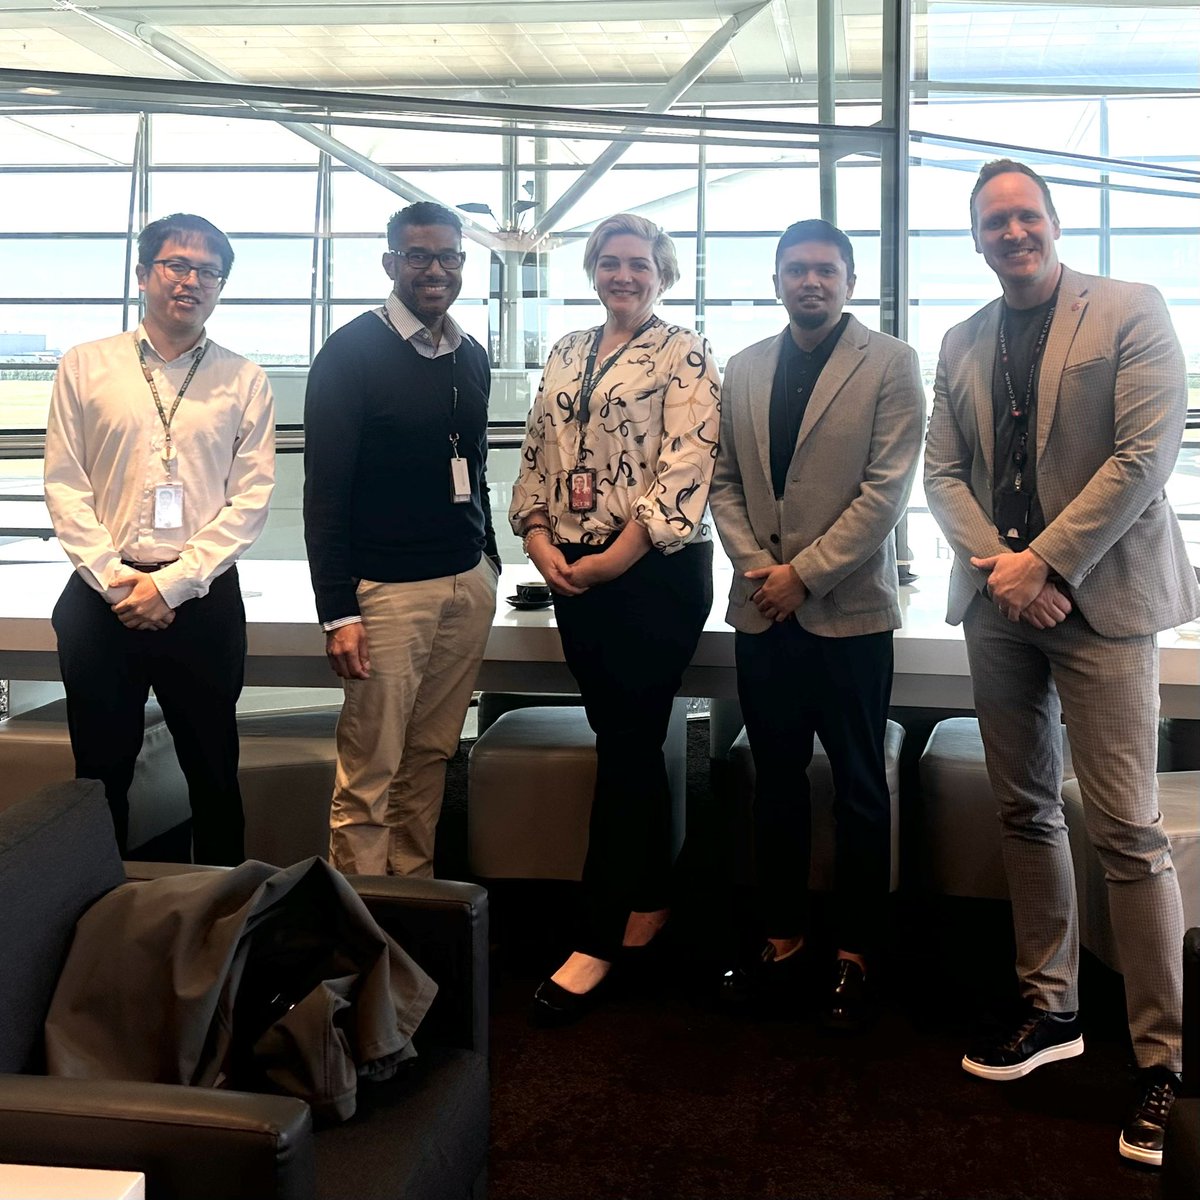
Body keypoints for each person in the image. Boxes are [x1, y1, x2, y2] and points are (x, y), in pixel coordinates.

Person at [924, 158, 1199, 1167]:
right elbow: (942, 468)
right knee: (1025, 809)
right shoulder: (959, 339)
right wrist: (1004, 570)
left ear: (1052, 222)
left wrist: (1046, 562)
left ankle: (1162, 1062)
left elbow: (1144, 454)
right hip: (1000, 605)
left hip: (1103, 601)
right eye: (994, 222)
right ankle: (1053, 1011)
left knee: (1129, 828)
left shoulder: (1130, 307)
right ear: (977, 237)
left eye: (1026, 216)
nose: (1013, 233)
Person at [708, 219, 924, 1030]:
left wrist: (806, 575)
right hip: (764, 611)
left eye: (826, 271)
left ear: (850, 280)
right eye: (796, 270)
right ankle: (783, 937)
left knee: (862, 790)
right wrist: (759, 570)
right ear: (776, 280)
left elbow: (886, 491)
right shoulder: (745, 365)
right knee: (776, 784)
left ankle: (858, 951)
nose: (811, 282)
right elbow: (723, 482)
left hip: (850, 615)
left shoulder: (893, 364)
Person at [510, 212, 721, 1024]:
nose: (622, 274)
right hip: (572, 571)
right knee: (621, 739)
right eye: (609, 262)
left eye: (638, 263)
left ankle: (596, 936)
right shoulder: (567, 348)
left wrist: (612, 560)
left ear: (661, 271)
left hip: (652, 575)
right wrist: (537, 539)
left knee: (627, 742)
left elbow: (687, 465)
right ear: (593, 269)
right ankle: (654, 897)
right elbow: (537, 454)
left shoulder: (685, 350)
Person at [45, 213, 275, 866]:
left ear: (220, 285)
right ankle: (95, 922)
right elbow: (65, 484)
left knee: (214, 774)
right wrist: (119, 581)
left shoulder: (244, 378)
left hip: (201, 600)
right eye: (177, 265)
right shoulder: (85, 366)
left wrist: (172, 584)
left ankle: (225, 921)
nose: (191, 281)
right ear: (143, 272)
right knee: (98, 780)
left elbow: (250, 499)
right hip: (102, 600)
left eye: (208, 271)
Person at [304, 200, 499, 878]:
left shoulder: (471, 352)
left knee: (431, 756)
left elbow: (473, 464)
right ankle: (360, 928)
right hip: (386, 593)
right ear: (392, 263)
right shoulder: (350, 352)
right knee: (371, 769)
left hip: (463, 584)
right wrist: (338, 611)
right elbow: (324, 492)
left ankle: (413, 899)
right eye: (419, 256)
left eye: (449, 256)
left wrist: (489, 561)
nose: (435, 269)